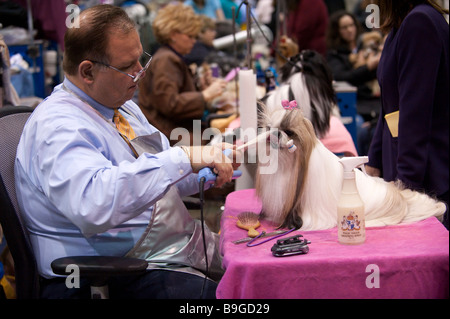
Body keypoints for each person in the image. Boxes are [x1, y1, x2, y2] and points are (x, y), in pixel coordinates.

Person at [14, 4, 239, 299]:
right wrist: (183, 158)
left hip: (155, 255)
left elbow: (155, 182)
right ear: (88, 72)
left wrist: (205, 169)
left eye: (140, 59)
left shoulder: (121, 108)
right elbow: (94, 205)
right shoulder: (58, 127)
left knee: (250, 275)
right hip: (105, 275)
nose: (140, 72)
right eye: (128, 66)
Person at [366, 0, 449, 230]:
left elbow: (415, 116)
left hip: (426, 177)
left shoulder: (419, 23)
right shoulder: (400, 26)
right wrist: (374, 159)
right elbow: (390, 105)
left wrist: (406, 189)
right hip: (403, 166)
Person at [138, 2, 227, 146]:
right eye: (190, 36)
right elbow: (170, 103)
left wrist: (200, 87)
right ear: (173, 35)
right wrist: (205, 95)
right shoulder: (167, 60)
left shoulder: (168, 56)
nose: (193, 41)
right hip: (172, 136)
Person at [325, 10, 382, 154]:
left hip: (377, 100)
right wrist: (368, 67)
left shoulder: (367, 47)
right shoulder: (335, 55)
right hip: (355, 104)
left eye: (351, 25)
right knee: (358, 126)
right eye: (344, 27)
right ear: (337, 31)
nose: (350, 30)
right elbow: (343, 77)